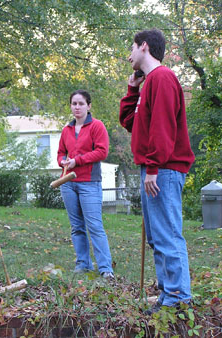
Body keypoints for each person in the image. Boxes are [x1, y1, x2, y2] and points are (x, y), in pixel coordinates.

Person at [119, 29, 195, 314]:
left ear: (145, 47)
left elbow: (163, 127)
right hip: (153, 168)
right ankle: (167, 295)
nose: (129, 55)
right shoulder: (149, 83)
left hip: (163, 169)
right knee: (157, 237)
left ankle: (177, 300)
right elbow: (131, 122)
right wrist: (132, 89)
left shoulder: (163, 78)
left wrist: (153, 167)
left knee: (167, 235)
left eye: (132, 48)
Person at [57, 90, 114, 279]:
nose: (77, 107)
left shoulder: (97, 126)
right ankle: (83, 264)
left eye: (81, 103)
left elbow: (101, 152)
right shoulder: (66, 129)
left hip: (89, 183)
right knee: (76, 227)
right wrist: (63, 161)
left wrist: (77, 161)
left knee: (95, 226)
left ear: (89, 106)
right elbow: (60, 153)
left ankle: (105, 268)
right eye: (74, 103)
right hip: (68, 183)